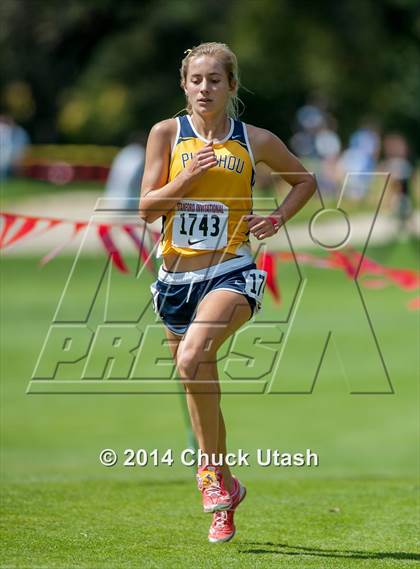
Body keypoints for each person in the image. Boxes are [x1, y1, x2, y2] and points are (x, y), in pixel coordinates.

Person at [139, 42, 316, 543]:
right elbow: (147, 210)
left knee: (191, 356)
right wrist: (185, 180)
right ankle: (223, 488)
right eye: (196, 80)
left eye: (215, 80)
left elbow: (303, 180)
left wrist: (278, 217)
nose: (204, 89)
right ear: (184, 84)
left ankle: (210, 477)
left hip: (231, 271)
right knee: (197, 382)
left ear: (231, 86)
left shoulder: (253, 139)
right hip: (174, 279)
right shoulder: (166, 135)